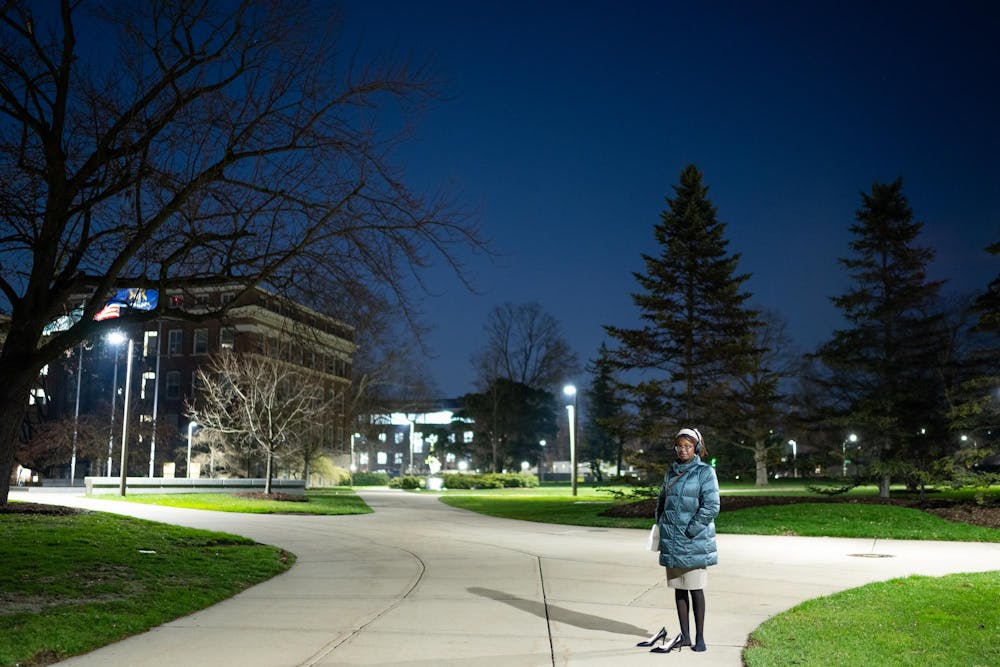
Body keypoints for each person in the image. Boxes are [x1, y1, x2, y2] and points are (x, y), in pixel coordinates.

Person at [640, 427, 720, 653]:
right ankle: (685, 636)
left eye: (688, 446)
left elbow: (712, 506)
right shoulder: (671, 472)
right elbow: (661, 502)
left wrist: (690, 530)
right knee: (679, 589)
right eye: (679, 446)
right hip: (672, 541)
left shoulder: (704, 472)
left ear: (697, 447)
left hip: (693, 541)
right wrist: (662, 522)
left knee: (696, 589)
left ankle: (700, 637)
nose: (683, 450)